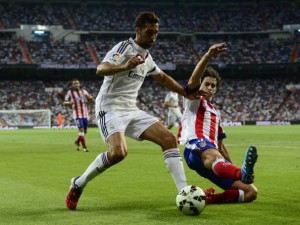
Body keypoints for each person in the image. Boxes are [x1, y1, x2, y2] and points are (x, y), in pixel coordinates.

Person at [65, 11, 197, 210]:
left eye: (156, 33)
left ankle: (184, 192)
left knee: (169, 139)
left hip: (131, 109)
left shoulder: (147, 57)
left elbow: (162, 77)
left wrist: (185, 93)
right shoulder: (123, 48)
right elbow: (100, 69)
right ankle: (79, 183)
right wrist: (125, 66)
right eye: (149, 32)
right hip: (109, 108)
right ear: (138, 31)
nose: (153, 37)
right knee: (118, 153)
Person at [179, 42, 258, 204]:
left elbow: (220, 145)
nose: (209, 88)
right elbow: (193, 80)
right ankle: (239, 172)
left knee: (250, 192)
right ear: (201, 85)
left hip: (213, 157)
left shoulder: (216, 113)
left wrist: (231, 166)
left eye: (212, 86)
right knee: (214, 157)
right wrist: (208, 55)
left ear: (216, 89)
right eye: (206, 84)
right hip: (195, 148)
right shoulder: (194, 100)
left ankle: (205, 199)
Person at [63, 78, 94, 152]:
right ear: (72, 85)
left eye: (77, 83)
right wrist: (69, 103)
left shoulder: (84, 91)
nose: (76, 85)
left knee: (85, 132)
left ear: (79, 84)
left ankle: (77, 141)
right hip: (77, 116)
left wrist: (90, 98)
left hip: (85, 115)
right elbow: (65, 103)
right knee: (81, 131)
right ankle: (84, 148)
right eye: (74, 84)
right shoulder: (70, 92)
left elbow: (90, 100)